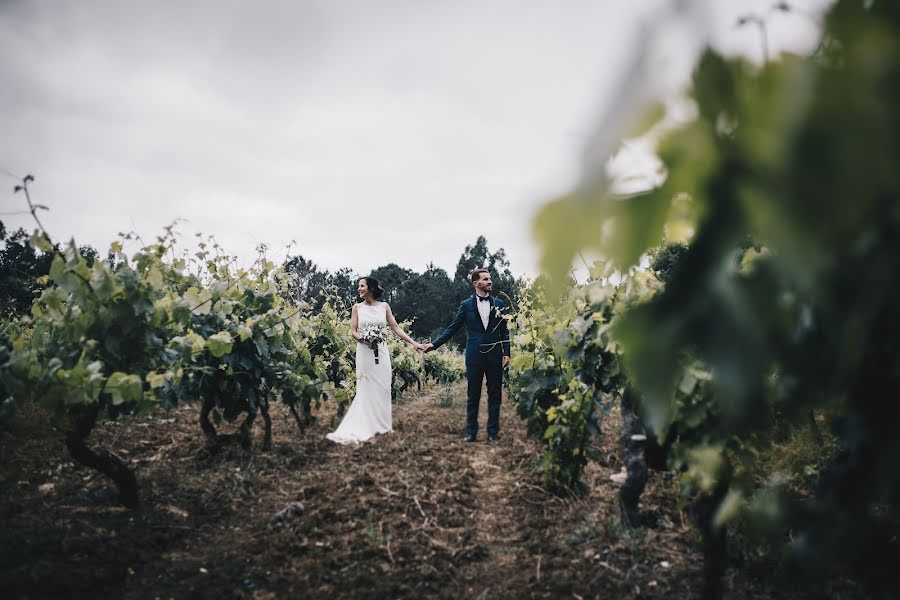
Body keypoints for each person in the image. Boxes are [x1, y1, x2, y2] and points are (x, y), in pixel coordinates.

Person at [326, 277, 426, 444]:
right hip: (364, 352)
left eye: (362, 286)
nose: (359, 289)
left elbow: (395, 328)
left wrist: (413, 343)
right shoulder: (357, 308)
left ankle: (382, 425)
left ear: (370, 288)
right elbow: (353, 331)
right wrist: (364, 339)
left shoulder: (384, 307)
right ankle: (365, 425)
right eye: (359, 286)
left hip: (382, 351)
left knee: (383, 386)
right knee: (366, 387)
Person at [424, 268, 510, 443]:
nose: (490, 282)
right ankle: (471, 432)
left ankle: (493, 433)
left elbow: (505, 332)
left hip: (495, 355)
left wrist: (506, 353)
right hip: (474, 356)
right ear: (476, 283)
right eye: (486, 279)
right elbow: (453, 328)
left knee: (495, 395)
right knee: (473, 395)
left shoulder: (500, 304)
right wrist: (435, 345)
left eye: (490, 279)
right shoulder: (466, 305)